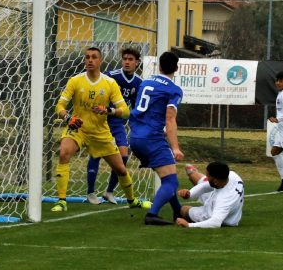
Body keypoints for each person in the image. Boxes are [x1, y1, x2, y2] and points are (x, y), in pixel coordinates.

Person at [52, 46, 151, 212]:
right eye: (87, 57)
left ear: (100, 61)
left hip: (100, 131)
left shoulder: (109, 83)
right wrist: (68, 117)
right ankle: (62, 200)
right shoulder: (75, 80)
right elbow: (60, 105)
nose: (90, 60)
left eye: (94, 57)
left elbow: (125, 110)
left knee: (120, 168)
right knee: (64, 153)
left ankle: (132, 200)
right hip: (79, 128)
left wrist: (108, 110)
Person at [129, 51, 184, 225]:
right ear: (176, 68)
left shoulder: (145, 83)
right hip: (152, 139)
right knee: (171, 181)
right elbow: (170, 118)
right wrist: (174, 147)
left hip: (135, 137)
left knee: (167, 175)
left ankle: (177, 211)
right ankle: (152, 214)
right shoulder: (173, 90)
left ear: (159, 66)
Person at [86, 47, 142, 205]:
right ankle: (90, 192)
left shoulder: (138, 82)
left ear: (137, 62)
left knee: (123, 156)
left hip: (117, 122)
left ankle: (109, 191)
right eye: (125, 59)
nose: (127, 62)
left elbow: (134, 107)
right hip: (101, 121)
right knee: (96, 154)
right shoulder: (111, 76)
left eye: (130, 59)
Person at [176, 162, 244, 228]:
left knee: (183, 209)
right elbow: (204, 186)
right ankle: (192, 172)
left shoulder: (223, 200)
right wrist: (189, 194)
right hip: (217, 195)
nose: (207, 178)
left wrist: (189, 225)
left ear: (216, 181)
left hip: (213, 216)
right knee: (195, 177)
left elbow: (215, 223)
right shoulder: (232, 176)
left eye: (208, 176)